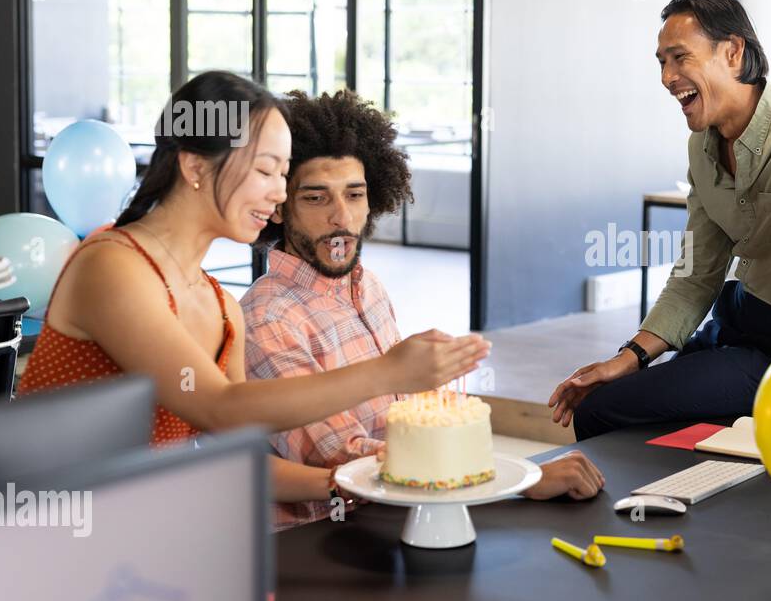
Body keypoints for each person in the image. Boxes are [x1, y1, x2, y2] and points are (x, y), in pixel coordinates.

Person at [18, 71, 489, 510]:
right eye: (267, 171)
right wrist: (388, 372)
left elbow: (234, 447)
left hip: (141, 532)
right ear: (196, 167)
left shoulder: (221, 307)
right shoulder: (112, 265)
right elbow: (219, 408)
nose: (281, 194)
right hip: (54, 533)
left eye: (284, 175)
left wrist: (343, 483)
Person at [243, 89, 604, 527]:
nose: (341, 216)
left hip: (405, 511)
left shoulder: (367, 287)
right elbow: (341, 455)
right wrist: (517, 479)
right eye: (317, 198)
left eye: (354, 195)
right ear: (279, 207)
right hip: (334, 535)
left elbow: (411, 419)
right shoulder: (268, 320)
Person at [549, 0, 771, 440]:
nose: (666, 76)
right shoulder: (702, 147)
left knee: (604, 412)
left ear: (733, 52)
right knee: (624, 404)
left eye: (679, 58)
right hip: (737, 322)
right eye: (661, 61)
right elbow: (697, 273)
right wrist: (627, 358)